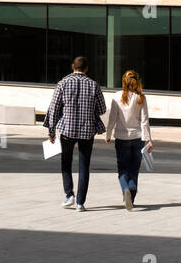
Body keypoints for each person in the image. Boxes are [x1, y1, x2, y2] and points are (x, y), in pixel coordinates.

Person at [44, 55, 106, 212]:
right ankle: (80, 203)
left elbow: (54, 108)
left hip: (67, 130)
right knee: (84, 165)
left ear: (73, 66)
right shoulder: (94, 85)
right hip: (87, 131)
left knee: (66, 162)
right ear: (86, 68)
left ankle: (69, 195)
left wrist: (51, 131)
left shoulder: (63, 83)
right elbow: (102, 109)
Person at [106, 69, 152, 210]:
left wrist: (108, 134)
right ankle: (131, 195)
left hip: (121, 137)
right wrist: (148, 139)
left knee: (122, 168)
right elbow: (144, 121)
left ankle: (125, 188)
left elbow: (112, 118)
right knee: (134, 169)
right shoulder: (141, 98)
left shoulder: (117, 96)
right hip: (137, 137)